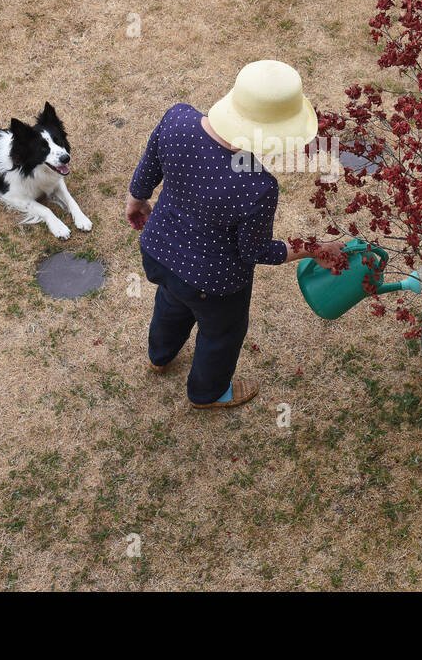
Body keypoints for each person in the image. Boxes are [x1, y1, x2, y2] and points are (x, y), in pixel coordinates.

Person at [126, 60, 345, 408]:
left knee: (171, 300)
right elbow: (254, 252)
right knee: (220, 334)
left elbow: (148, 167)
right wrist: (313, 247)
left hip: (158, 254)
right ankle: (208, 392)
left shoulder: (177, 119)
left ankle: (159, 355)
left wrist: (136, 200)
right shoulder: (257, 185)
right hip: (213, 286)